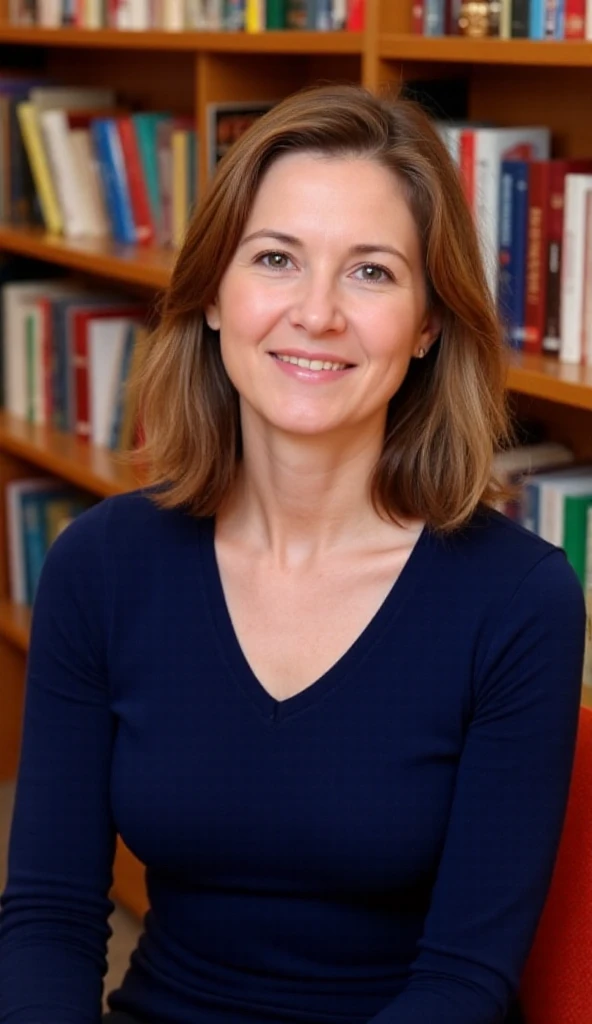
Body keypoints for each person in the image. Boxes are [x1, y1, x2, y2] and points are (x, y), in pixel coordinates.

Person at [0, 83, 586, 1024]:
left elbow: (465, 980)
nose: (315, 313)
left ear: (429, 324)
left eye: (372, 272)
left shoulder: (518, 599)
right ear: (216, 300)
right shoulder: (101, 566)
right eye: (276, 258)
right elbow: (50, 918)